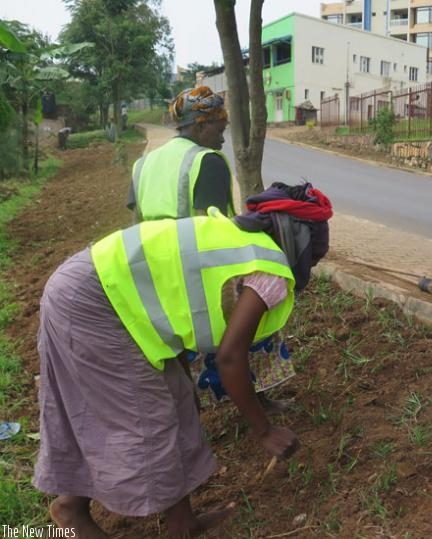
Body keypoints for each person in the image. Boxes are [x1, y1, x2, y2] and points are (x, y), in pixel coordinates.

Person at [33, 184, 332, 538]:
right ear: (298, 243)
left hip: (101, 289)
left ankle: (182, 524)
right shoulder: (268, 270)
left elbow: (177, 292)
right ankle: (72, 511)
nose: (311, 265)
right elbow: (231, 356)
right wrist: (264, 430)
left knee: (177, 400)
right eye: (313, 257)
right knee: (147, 416)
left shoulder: (240, 240)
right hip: (95, 301)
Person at [127, 86, 234, 222]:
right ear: (200, 126)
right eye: (219, 131)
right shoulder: (209, 162)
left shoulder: (141, 165)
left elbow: (136, 225)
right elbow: (214, 230)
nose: (222, 139)